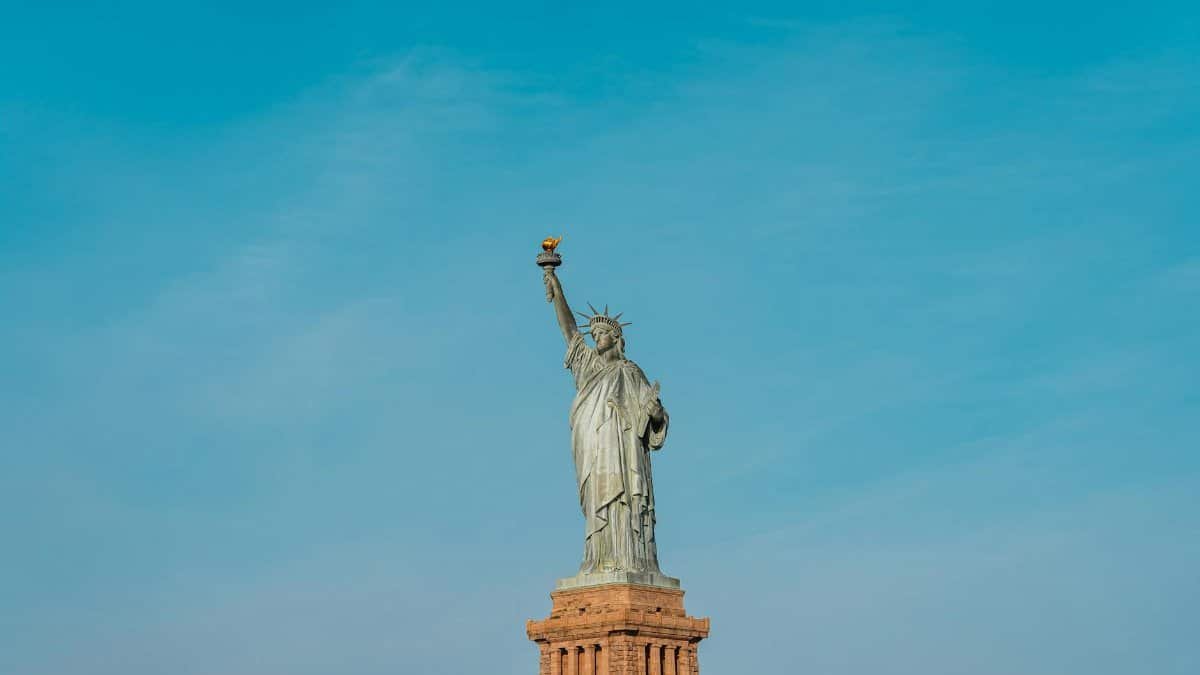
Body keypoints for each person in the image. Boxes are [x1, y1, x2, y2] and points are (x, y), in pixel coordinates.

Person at [543, 266, 669, 575]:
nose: (596, 337)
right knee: (599, 501)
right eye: (594, 334)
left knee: (624, 502)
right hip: (595, 448)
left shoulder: (631, 372)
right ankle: (599, 559)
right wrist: (556, 290)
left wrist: (655, 415)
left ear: (617, 338)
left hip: (625, 454)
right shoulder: (588, 367)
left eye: (602, 334)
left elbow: (655, 417)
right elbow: (570, 332)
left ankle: (631, 561)